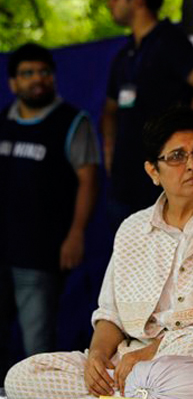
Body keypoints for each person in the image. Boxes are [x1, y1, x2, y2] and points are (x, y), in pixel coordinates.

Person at [4, 107, 193, 398]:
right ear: (153, 171)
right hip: (133, 360)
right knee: (23, 376)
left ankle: (135, 390)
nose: (192, 165)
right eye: (177, 156)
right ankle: (131, 390)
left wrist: (156, 350)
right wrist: (97, 357)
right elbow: (110, 316)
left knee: (189, 346)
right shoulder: (133, 228)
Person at [0, 43, 99, 383]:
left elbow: (88, 181)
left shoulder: (71, 121)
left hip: (41, 254)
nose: (37, 79)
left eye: (43, 72)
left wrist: (76, 233)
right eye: (27, 73)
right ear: (13, 82)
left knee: (37, 346)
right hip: (2, 249)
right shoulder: (3, 120)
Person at [103, 0, 193, 230]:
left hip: (158, 188)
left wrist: (180, 146)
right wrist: (109, 148)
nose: (110, 3)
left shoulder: (169, 41)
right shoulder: (124, 53)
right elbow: (109, 110)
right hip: (123, 184)